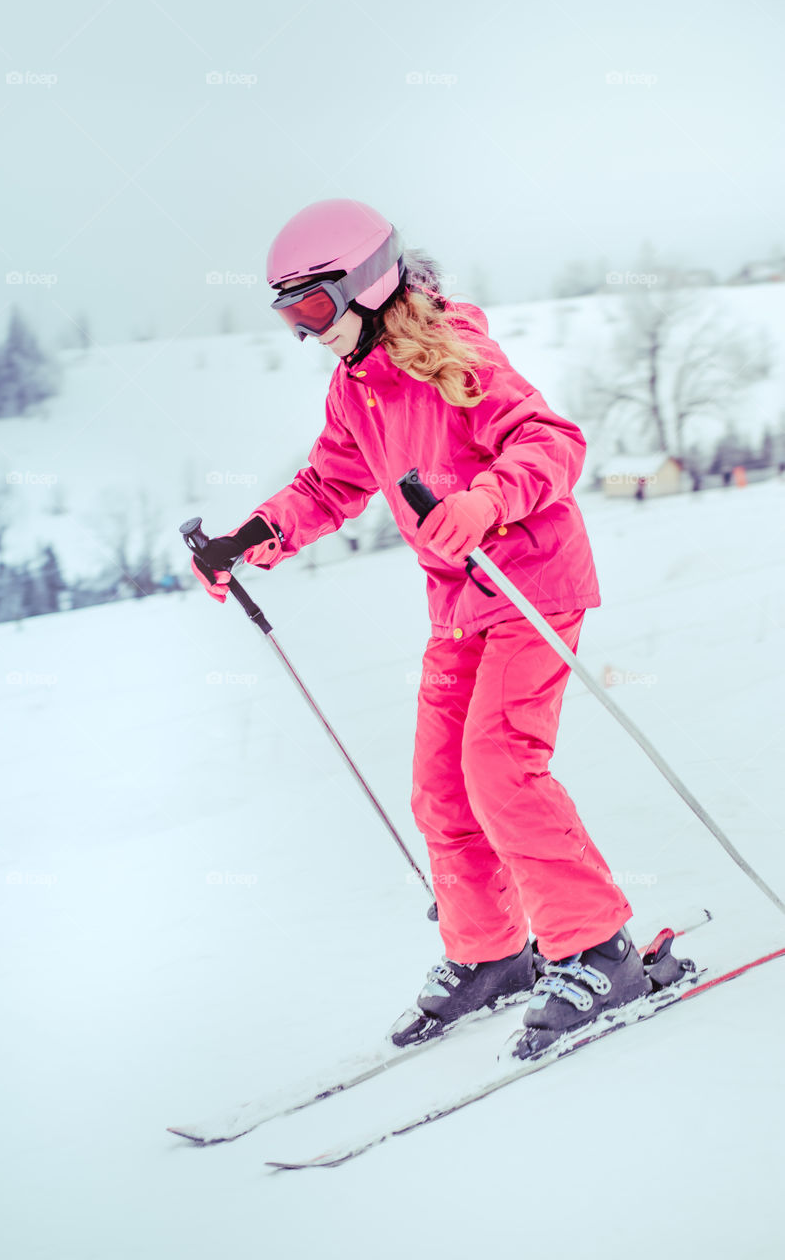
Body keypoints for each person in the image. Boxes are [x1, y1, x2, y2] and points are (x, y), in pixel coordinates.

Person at [191, 198, 650, 1049]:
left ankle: (596, 945)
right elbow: (329, 484)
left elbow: (550, 439)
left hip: (528, 584)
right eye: (287, 312)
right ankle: (489, 951)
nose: (303, 329)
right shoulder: (354, 387)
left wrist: (487, 497)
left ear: (364, 285)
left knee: (500, 767)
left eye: (313, 306)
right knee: (440, 784)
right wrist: (249, 538)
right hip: (456, 604)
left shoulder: (454, 351)